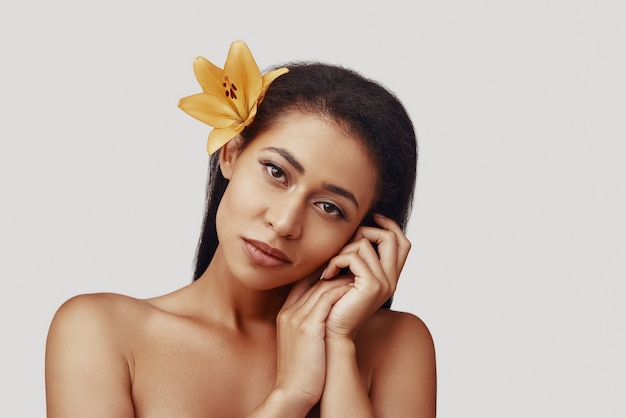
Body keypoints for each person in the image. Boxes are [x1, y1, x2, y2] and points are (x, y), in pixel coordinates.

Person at [45, 40, 437, 417]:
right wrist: (291, 395)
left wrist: (337, 346)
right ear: (231, 153)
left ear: (363, 232)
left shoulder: (394, 344)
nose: (284, 223)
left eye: (328, 207)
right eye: (276, 172)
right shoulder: (100, 332)